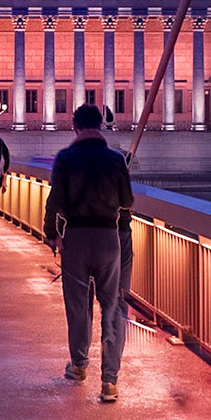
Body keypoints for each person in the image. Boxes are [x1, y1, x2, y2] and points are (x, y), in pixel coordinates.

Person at [44, 102, 134, 403]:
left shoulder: (66, 158)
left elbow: (53, 202)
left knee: (78, 305)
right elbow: (126, 201)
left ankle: (79, 365)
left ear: (75, 126)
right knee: (112, 306)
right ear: (101, 125)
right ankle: (110, 382)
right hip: (109, 238)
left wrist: (51, 235)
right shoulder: (115, 159)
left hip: (77, 239)